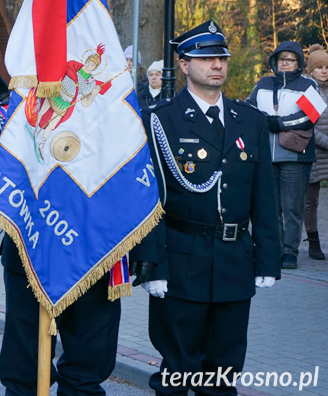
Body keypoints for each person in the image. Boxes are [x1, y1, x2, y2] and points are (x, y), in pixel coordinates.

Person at [132, 20, 280, 396]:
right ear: (184, 65)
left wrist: (268, 259)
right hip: (181, 261)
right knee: (178, 371)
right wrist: (152, 264)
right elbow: (148, 199)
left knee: (224, 373)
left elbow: (264, 195)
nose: (217, 65)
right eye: (207, 58)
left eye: (222, 58)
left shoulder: (250, 120)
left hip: (234, 260)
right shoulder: (160, 119)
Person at [0, 101, 122, 396]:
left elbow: (133, 186)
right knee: (25, 365)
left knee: (87, 365)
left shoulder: (114, 113)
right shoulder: (14, 111)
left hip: (93, 253)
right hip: (31, 251)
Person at [246, 40, 318, 269]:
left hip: (296, 156)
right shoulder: (263, 83)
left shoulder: (309, 85)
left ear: (298, 62)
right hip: (266, 154)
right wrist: (261, 122)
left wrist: (279, 123)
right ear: (274, 61)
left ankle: (290, 252)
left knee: (293, 207)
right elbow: (249, 108)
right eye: (281, 59)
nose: (285, 63)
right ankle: (274, 249)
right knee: (270, 206)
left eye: (290, 59)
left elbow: (309, 116)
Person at [303, 44, 328, 260]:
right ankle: (313, 242)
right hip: (314, 154)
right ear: (310, 71)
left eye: (327, 67)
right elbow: (306, 127)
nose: (324, 71)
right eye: (319, 67)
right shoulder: (308, 93)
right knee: (311, 201)